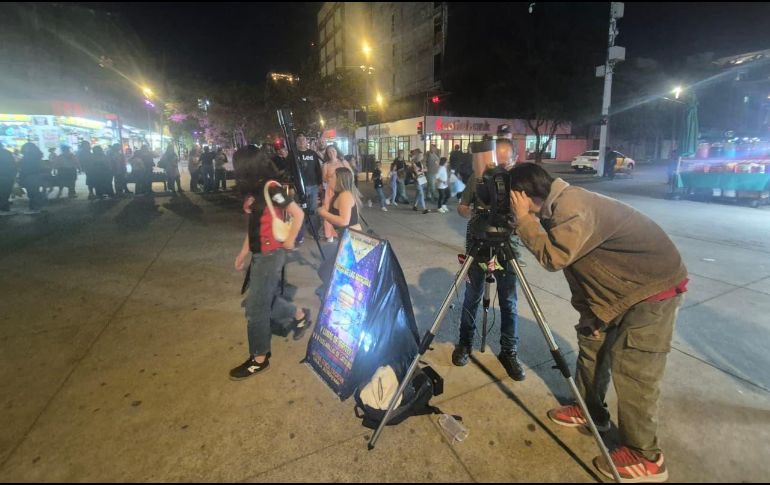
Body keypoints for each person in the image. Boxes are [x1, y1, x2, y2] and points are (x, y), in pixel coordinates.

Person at [508, 163, 688, 482]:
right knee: (592, 342)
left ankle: (645, 456)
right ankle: (590, 410)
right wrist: (590, 312)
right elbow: (581, 270)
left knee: (634, 367)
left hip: (651, 286)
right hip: (620, 287)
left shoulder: (572, 207)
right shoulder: (555, 209)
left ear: (521, 195)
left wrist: (523, 220)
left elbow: (555, 258)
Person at [230, 145, 310, 380]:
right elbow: (255, 226)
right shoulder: (256, 189)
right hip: (259, 254)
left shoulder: (271, 188)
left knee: (256, 309)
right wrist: (244, 251)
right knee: (266, 299)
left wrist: (290, 241)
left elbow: (298, 213)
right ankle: (299, 315)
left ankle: (259, 358)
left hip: (271, 255)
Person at [453, 138, 525, 381]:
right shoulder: (478, 178)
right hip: (478, 242)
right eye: (495, 163)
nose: (497, 170)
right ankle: (465, 343)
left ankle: (509, 351)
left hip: (508, 247)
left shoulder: (518, 182)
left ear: (514, 160)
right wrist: (475, 213)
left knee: (509, 301)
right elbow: (462, 207)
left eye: (503, 165)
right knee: (471, 297)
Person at [295, 132, 323, 243]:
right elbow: (290, 171)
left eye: (303, 139)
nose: (302, 141)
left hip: (313, 186)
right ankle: (299, 235)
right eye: (299, 140)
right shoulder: (294, 154)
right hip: (300, 188)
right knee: (300, 211)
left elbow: (317, 169)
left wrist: (320, 183)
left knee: (312, 210)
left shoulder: (312, 153)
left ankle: (313, 231)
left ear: (307, 141)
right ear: (296, 142)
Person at [321, 144, 353, 242]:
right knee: (328, 210)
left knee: (344, 212)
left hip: (343, 190)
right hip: (331, 191)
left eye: (333, 151)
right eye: (329, 152)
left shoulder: (343, 162)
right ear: (327, 154)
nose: (332, 153)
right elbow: (323, 178)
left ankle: (345, 233)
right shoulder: (326, 165)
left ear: (337, 151)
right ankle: (329, 234)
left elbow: (351, 173)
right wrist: (332, 178)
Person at [19, 142, 46, 213]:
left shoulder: (28, 156)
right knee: (34, 191)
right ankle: (35, 207)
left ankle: (34, 208)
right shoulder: (36, 156)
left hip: (29, 175)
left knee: (32, 192)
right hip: (35, 175)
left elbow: (25, 168)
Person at [410, 149, 429, 214]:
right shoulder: (413, 163)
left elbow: (426, 169)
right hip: (417, 180)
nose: (422, 156)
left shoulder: (420, 163)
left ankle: (414, 206)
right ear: (417, 155)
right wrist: (422, 170)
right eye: (421, 155)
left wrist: (420, 170)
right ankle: (424, 208)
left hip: (422, 178)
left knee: (419, 193)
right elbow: (416, 172)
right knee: (421, 194)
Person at [0, 143, 17, 212]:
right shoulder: (7, 153)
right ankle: (4, 208)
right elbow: (13, 165)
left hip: (5, 175)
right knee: (5, 193)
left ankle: (3, 207)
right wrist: (13, 175)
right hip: (7, 176)